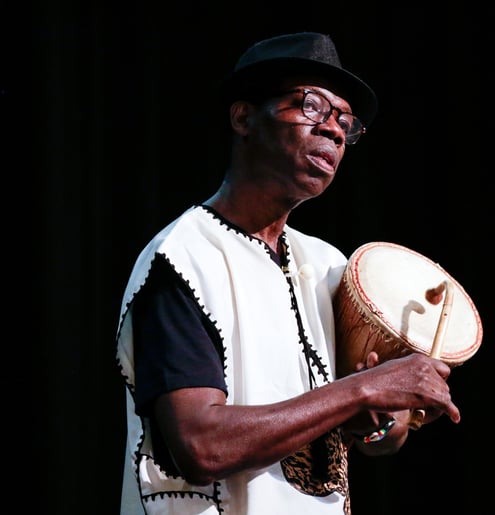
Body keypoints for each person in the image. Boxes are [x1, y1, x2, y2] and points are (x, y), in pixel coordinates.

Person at [115, 31, 461, 515]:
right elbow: (201, 446)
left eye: (346, 122)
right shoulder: (183, 257)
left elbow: (383, 438)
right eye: (313, 107)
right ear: (244, 118)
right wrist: (361, 389)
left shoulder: (329, 267)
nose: (335, 131)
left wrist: (382, 416)